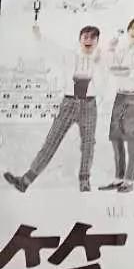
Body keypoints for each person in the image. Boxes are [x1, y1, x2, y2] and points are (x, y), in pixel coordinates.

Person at [4, 23, 107, 193]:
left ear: (97, 41)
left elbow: (104, 85)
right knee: (51, 141)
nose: (88, 40)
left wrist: (98, 63)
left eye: (93, 38)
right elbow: (52, 49)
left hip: (89, 104)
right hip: (69, 103)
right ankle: (25, 181)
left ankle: (84, 182)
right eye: (85, 37)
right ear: (80, 40)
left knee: (88, 144)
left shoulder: (100, 61)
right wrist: (39, 36)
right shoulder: (69, 56)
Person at [100, 16, 134, 193]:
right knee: (116, 136)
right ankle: (118, 178)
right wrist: (111, 48)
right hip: (120, 96)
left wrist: (130, 73)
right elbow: (110, 65)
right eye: (132, 28)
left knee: (131, 138)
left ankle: (129, 180)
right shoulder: (123, 49)